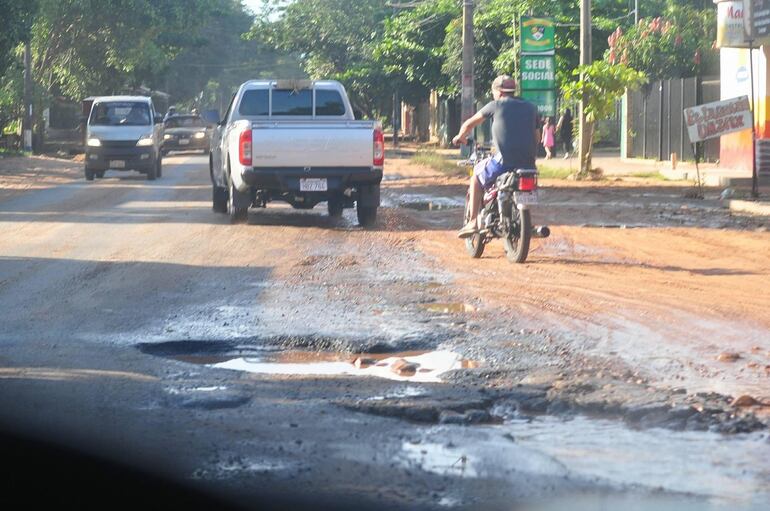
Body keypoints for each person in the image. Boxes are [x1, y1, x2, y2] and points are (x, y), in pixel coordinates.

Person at [452, 75, 539, 239]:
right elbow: (537, 136)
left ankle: (472, 222)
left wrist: (460, 137)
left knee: (476, 177)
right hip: (528, 164)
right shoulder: (531, 107)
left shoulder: (495, 105)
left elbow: (469, 124)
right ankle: (524, 221)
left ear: (498, 92)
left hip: (504, 161)